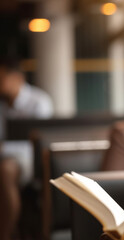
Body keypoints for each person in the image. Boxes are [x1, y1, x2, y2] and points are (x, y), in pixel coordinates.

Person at [0, 57, 53, 240]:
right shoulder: (2, 105)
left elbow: (39, 143)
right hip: (7, 156)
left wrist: (4, 148)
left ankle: (5, 234)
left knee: (5, 170)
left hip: (31, 159)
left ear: (17, 78)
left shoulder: (39, 101)